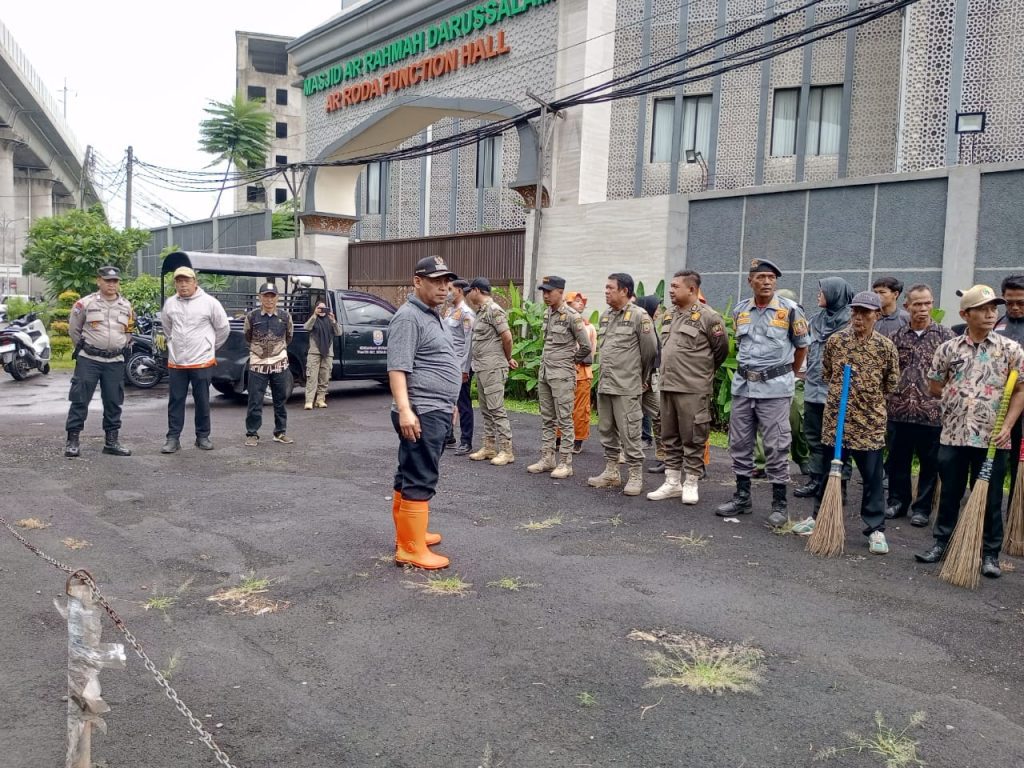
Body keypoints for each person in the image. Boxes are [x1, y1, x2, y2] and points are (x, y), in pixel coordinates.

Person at [916, 285, 1024, 578]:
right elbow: (935, 386)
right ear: (966, 314)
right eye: (983, 309)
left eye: (993, 308)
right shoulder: (948, 349)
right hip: (954, 433)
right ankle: (941, 543)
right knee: (950, 491)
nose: (991, 314)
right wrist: (958, 397)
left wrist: (1008, 425)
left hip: (993, 437)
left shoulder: (1010, 350)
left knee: (989, 497)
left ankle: (990, 554)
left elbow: (1020, 391)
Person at [792, 292, 900, 555]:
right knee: (828, 473)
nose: (859, 317)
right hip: (836, 420)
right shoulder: (836, 341)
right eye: (855, 312)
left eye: (865, 313)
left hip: (869, 423)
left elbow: (892, 383)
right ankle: (820, 517)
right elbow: (827, 373)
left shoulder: (885, 347)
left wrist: (866, 398)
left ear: (877, 315)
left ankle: (875, 529)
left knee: (872, 477)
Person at [716, 259, 810, 526]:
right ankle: (742, 497)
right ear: (750, 281)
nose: (767, 282)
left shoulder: (791, 310)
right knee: (740, 443)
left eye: (771, 277)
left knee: (776, 445)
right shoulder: (741, 310)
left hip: (775, 389)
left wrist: (789, 374)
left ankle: (779, 505)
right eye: (761, 277)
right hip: (744, 387)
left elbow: (802, 346)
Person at [387, 255, 461, 569]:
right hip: (421, 411)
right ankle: (411, 549)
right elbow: (397, 369)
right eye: (436, 281)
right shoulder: (408, 317)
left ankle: (409, 536)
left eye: (447, 281)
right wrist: (406, 410)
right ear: (418, 281)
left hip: (436, 408)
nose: (444, 287)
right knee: (421, 475)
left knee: (408, 474)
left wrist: (451, 401)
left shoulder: (433, 314)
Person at [647, 270, 728, 504]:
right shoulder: (669, 316)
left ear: (691, 290)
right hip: (668, 385)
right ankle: (672, 482)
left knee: (693, 436)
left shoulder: (709, 317)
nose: (670, 290)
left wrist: (699, 374)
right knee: (668, 435)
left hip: (693, 388)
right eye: (670, 286)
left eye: (675, 286)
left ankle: (691, 482)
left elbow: (720, 351)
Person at [884, 284, 953, 526]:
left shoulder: (946, 338)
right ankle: (897, 502)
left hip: (932, 413)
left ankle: (922, 508)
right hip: (898, 412)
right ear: (907, 307)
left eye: (927, 303)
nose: (923, 309)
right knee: (897, 461)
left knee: (929, 464)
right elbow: (887, 373)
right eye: (917, 304)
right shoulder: (895, 337)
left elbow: (953, 374)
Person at [587, 273, 659, 496]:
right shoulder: (606, 316)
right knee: (607, 430)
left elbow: (650, 351)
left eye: (610, 288)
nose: (606, 291)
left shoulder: (640, 316)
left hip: (628, 386)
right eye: (606, 287)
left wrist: (641, 378)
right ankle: (611, 472)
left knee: (631, 431)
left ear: (624, 291)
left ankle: (635, 474)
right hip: (607, 384)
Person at [64, 266, 135, 458]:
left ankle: (111, 442)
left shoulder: (126, 306)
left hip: (115, 361)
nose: (111, 284)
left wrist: (120, 345)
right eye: (107, 280)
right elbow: (74, 330)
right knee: (80, 399)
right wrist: (87, 348)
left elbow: (129, 330)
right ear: (99, 281)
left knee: (113, 401)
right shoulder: (85, 303)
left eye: (115, 281)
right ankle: (72, 441)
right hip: (89, 360)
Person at [794, 278, 855, 502]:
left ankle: (840, 486)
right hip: (813, 390)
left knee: (840, 439)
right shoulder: (815, 320)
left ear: (835, 293)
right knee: (814, 437)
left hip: (838, 392)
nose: (818, 295)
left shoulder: (852, 322)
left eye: (822, 291)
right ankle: (816, 480)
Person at [527, 276, 592, 479]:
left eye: (549, 291)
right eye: (543, 292)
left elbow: (586, 347)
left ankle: (565, 463)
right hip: (546, 373)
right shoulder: (548, 313)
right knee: (547, 418)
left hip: (562, 375)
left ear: (560, 292)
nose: (545, 295)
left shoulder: (572, 316)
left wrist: (568, 361)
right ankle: (548, 459)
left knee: (565, 420)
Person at [160, 266, 230, 454]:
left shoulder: (209, 303)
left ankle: (203, 437)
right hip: (177, 362)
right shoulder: (170, 304)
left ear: (195, 282)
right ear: (175, 284)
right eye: (179, 281)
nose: (183, 285)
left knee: (202, 400)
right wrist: (174, 343)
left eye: (187, 281)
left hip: (202, 361)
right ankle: (173, 438)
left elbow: (223, 328)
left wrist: (209, 346)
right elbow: (167, 328)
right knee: (176, 400)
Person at [753, 288, 810, 477]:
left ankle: (802, 458)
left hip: (797, 380)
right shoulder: (765, 324)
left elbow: (804, 349)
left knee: (796, 425)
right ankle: (762, 464)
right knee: (765, 424)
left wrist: (794, 374)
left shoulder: (800, 322)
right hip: (770, 381)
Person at [465, 277, 518, 465]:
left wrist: (507, 357)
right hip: (482, 367)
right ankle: (489, 446)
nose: (468, 294)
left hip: (493, 367)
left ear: (477, 290)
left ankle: (506, 450)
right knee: (486, 409)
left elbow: (507, 338)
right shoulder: (481, 312)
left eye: (469, 290)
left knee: (496, 408)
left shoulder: (494, 310)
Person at [243, 283, 295, 447]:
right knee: (255, 400)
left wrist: (277, 353)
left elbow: (289, 336)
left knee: (280, 400)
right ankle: (252, 433)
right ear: (260, 297)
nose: (269, 299)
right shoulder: (252, 316)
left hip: (279, 364)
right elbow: (247, 335)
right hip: (258, 364)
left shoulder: (285, 317)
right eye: (266, 296)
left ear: (277, 298)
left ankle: (280, 432)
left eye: (272, 296)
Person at [996, 274, 1024, 499]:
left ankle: (1017, 510)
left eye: (1021, 302)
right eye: (1009, 302)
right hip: (998, 405)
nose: (1014, 307)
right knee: (995, 460)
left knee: (1020, 463)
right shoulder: (995, 324)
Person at [444, 279, 476, 455]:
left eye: (450, 289)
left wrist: (465, 369)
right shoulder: (449, 311)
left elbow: (468, 343)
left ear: (460, 291)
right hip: (448, 364)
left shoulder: (466, 313)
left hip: (460, 365)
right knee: (448, 400)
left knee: (463, 403)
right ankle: (449, 436)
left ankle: (466, 441)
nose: (446, 292)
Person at [636, 294, 667, 473]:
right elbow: (642, 354)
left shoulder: (652, 326)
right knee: (630, 417)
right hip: (640, 379)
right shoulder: (641, 325)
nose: (659, 312)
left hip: (652, 379)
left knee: (660, 416)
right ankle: (623, 452)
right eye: (657, 308)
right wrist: (644, 378)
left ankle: (663, 455)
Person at [566, 291, 597, 454]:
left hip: (583, 373)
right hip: (565, 372)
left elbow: (592, 350)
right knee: (562, 407)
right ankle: (560, 438)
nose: (580, 304)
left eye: (582, 301)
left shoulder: (589, 327)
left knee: (580, 409)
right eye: (576, 301)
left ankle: (578, 440)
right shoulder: (562, 323)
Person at [303, 300, 341, 410]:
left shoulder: (330, 321)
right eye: (319, 308)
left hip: (328, 353)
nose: (322, 310)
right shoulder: (314, 320)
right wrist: (314, 315)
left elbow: (339, 333)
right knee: (312, 377)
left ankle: (320, 399)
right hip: (314, 353)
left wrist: (333, 321)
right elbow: (306, 327)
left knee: (325, 377)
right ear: (316, 309)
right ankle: (309, 401)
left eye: (324, 308)